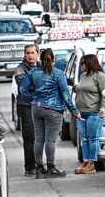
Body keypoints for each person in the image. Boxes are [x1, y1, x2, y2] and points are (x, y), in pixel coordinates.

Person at [20, 48, 80, 178]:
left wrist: (34, 98)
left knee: (39, 139)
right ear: (53, 60)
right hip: (54, 109)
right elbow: (65, 94)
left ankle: (39, 168)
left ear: (40, 59)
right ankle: (51, 167)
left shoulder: (33, 73)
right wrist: (74, 111)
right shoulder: (58, 74)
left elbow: (22, 89)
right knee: (50, 140)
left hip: (37, 107)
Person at [74, 54, 105, 175]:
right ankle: (85, 161)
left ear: (89, 64)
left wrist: (102, 108)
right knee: (84, 139)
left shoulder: (100, 76)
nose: (82, 66)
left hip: (94, 112)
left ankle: (92, 164)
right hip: (81, 112)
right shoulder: (83, 76)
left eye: (83, 63)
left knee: (93, 138)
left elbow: (104, 93)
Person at [14, 44, 39, 176]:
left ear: (37, 54)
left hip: (41, 106)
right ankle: (30, 166)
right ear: (24, 55)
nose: (30, 55)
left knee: (41, 137)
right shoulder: (20, 69)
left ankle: (40, 164)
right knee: (29, 137)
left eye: (33, 52)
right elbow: (24, 86)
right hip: (27, 106)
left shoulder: (42, 67)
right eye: (28, 53)